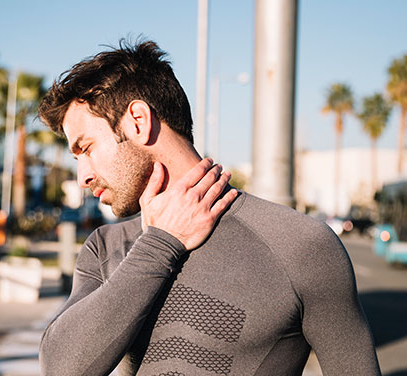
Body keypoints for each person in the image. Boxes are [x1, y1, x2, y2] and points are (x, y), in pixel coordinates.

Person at [38, 39, 381, 376]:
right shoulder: (105, 248)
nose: (83, 176)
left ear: (138, 122)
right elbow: (60, 368)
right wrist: (159, 244)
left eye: (86, 148)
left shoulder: (300, 244)